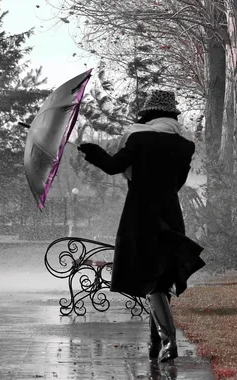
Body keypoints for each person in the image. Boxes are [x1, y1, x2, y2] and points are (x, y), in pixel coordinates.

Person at [77, 90, 205, 363]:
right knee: (161, 279)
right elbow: (177, 183)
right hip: (170, 216)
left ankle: (168, 342)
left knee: (152, 281)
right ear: (172, 115)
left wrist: (91, 150)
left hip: (140, 217)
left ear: (148, 115)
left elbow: (113, 166)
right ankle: (155, 343)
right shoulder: (185, 146)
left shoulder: (138, 138)